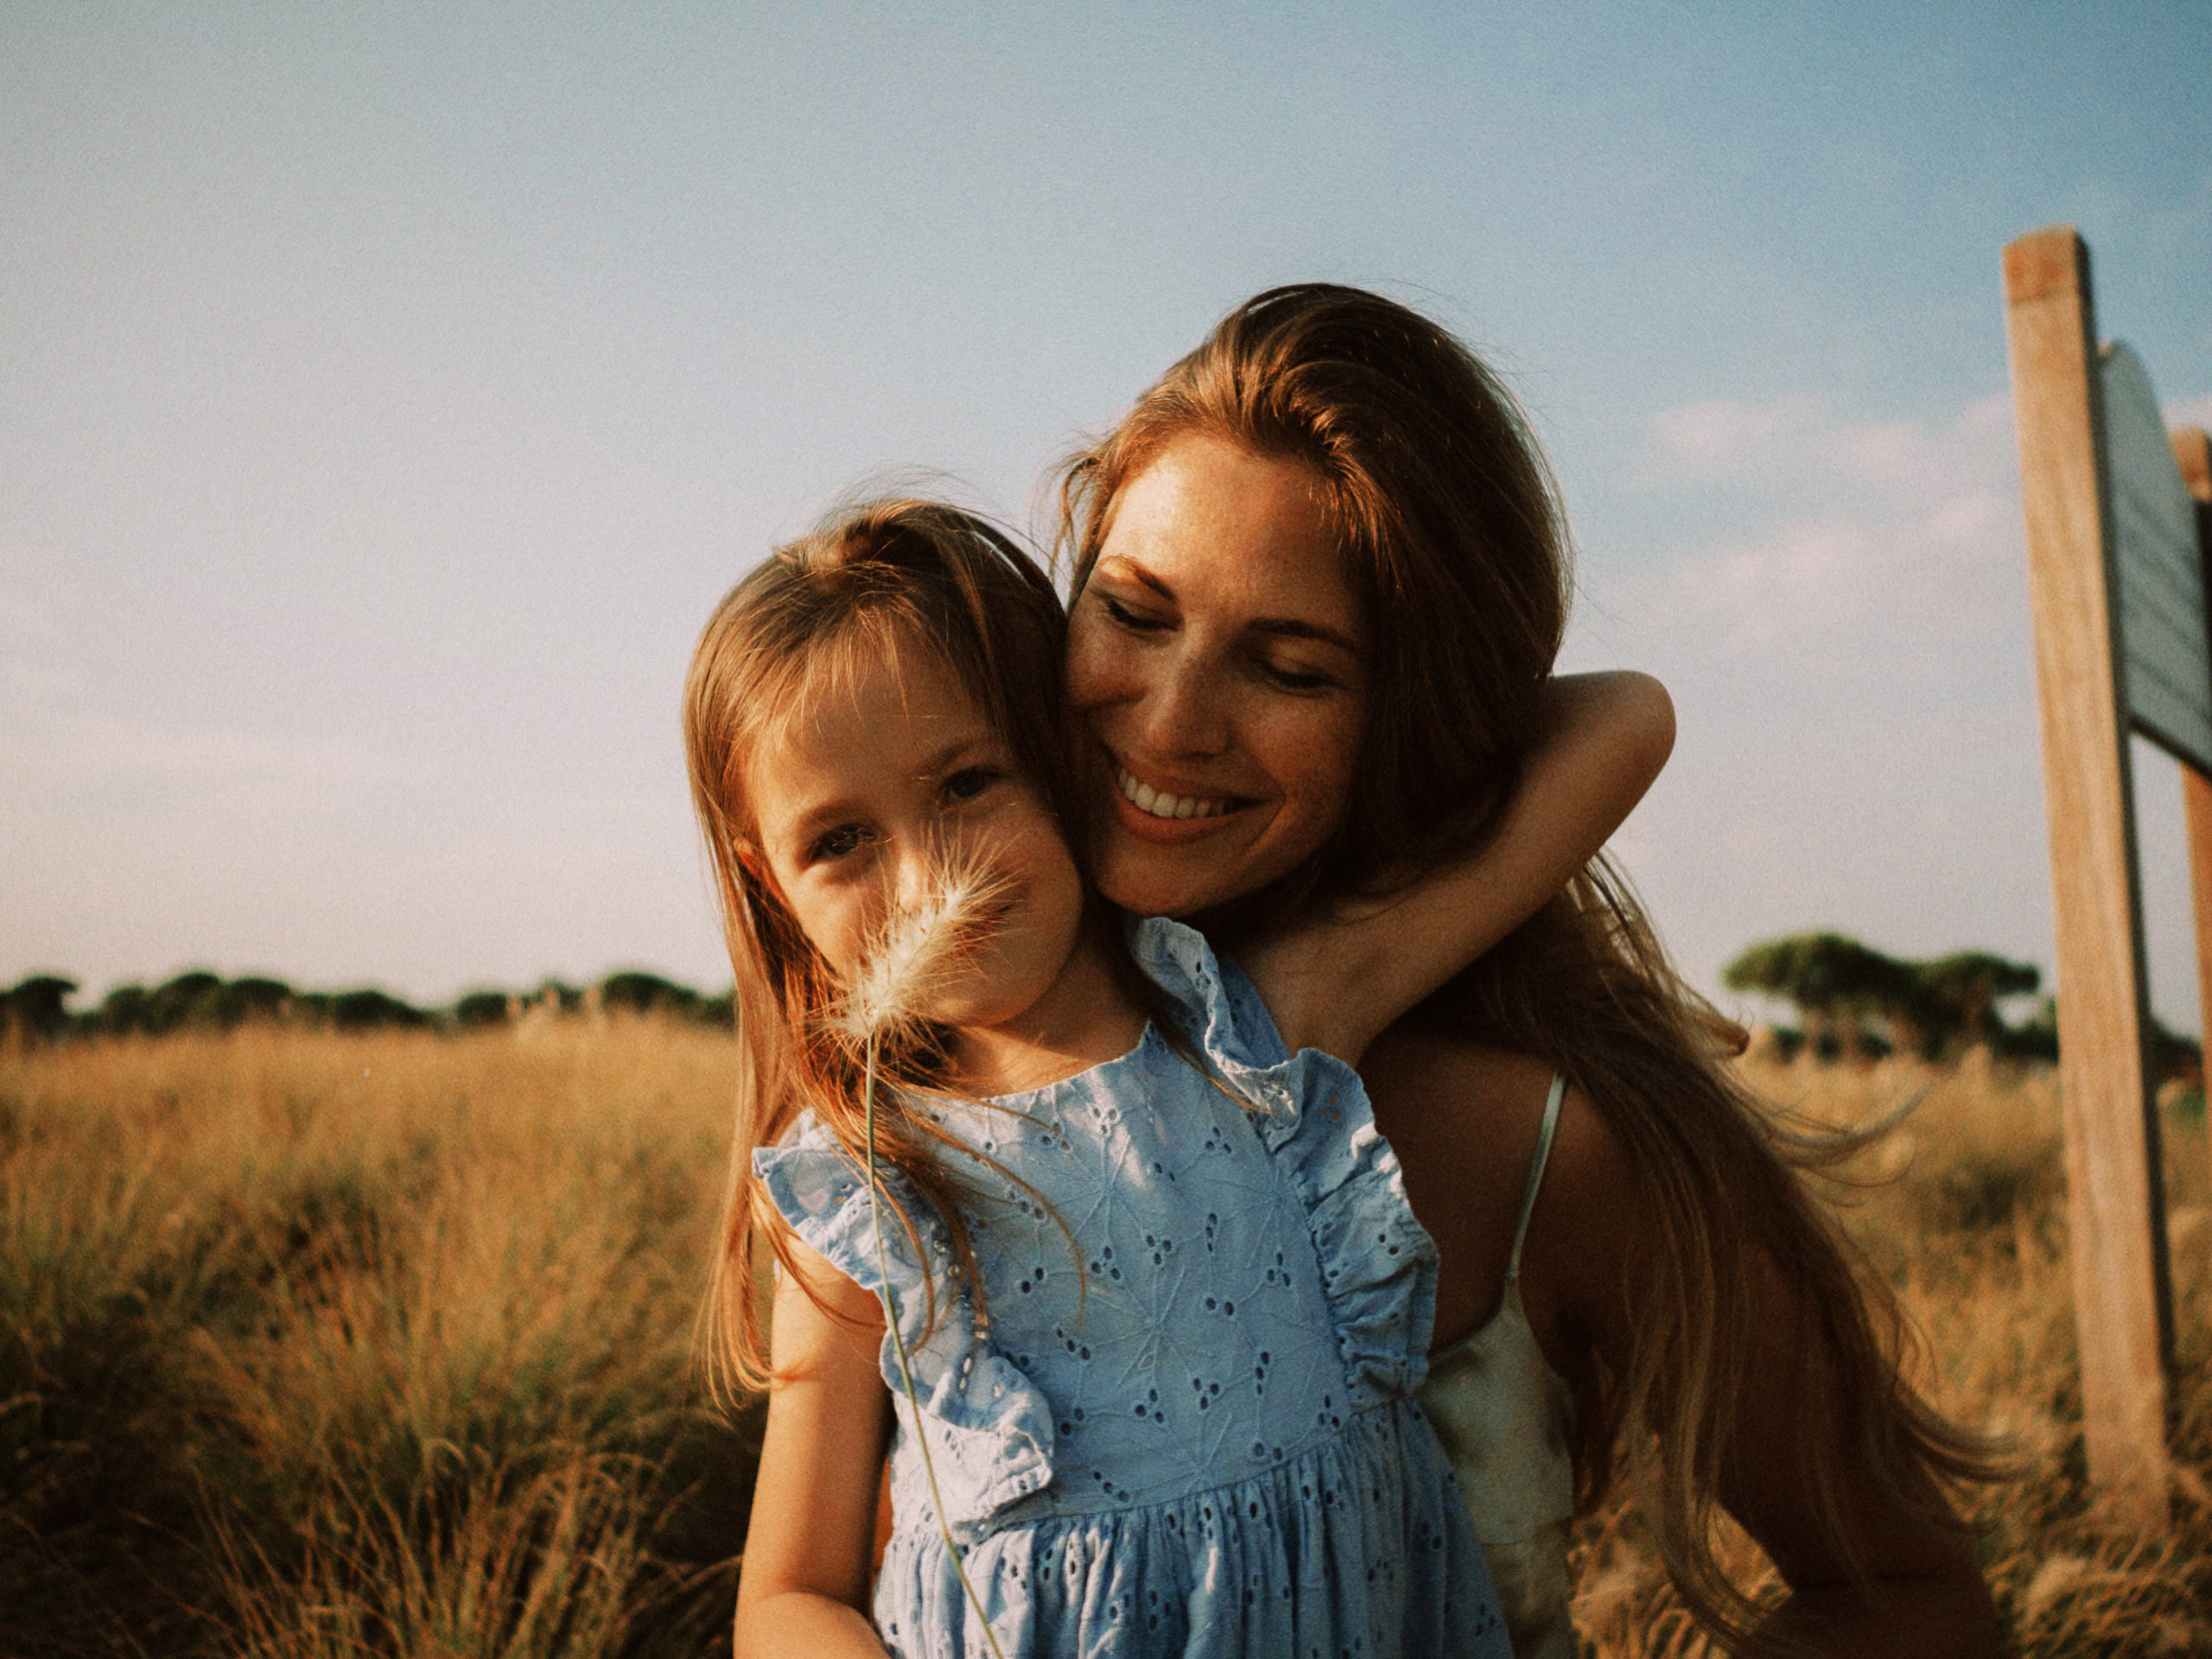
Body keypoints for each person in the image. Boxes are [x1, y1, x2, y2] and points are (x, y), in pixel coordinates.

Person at [1055, 283, 2005, 1656]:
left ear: (1416, 722)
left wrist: (1356, 967)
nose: (1172, 718)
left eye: (1292, 668)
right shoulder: (931, 1056)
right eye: (1135, 612)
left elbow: (1914, 1599)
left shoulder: (1557, 1143)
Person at [685, 499, 1669, 1657]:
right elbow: (788, 1596)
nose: (924, 874)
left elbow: (1625, 717)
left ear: (1063, 756)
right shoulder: (861, 1185)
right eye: (840, 841)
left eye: (966, 783)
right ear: (768, 880)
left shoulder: (1257, 1028)